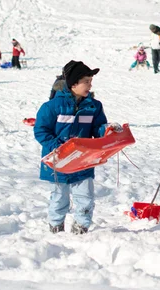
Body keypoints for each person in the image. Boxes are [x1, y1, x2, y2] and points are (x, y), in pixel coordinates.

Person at [34, 61, 110, 234]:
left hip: (82, 159)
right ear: (74, 83)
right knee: (59, 197)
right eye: (86, 82)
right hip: (58, 161)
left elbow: (98, 128)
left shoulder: (93, 106)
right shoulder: (52, 107)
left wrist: (107, 130)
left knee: (85, 196)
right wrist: (58, 147)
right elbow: (40, 130)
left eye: (91, 82)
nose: (90, 86)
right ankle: (55, 226)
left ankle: (81, 228)